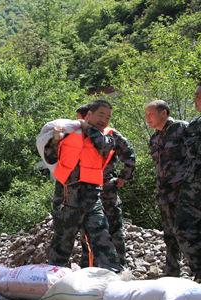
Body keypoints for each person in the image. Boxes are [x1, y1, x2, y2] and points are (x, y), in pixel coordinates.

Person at [45, 100, 121, 272]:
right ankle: (54, 275)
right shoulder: (69, 133)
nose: (104, 120)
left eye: (108, 117)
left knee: (102, 236)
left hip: (92, 196)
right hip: (68, 196)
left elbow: (102, 145)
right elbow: (50, 158)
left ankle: (112, 273)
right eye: (101, 115)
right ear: (89, 114)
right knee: (63, 239)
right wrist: (55, 140)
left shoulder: (107, 137)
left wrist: (86, 127)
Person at [78, 104, 136, 268]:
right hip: (85, 190)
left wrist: (123, 178)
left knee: (114, 229)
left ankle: (119, 267)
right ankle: (90, 267)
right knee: (87, 231)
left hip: (106, 189)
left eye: (106, 117)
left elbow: (130, 156)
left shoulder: (111, 134)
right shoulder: (78, 134)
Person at [145, 100, 190, 276]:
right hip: (164, 193)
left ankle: (196, 269)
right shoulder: (154, 138)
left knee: (188, 231)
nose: (147, 118)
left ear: (164, 113)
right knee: (169, 233)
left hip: (184, 191)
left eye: (151, 114)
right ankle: (172, 271)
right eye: (146, 115)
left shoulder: (182, 128)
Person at [175, 84, 201, 277]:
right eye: (196, 96)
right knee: (184, 229)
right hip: (192, 188)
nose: (196, 99)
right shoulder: (193, 125)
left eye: (199, 96)